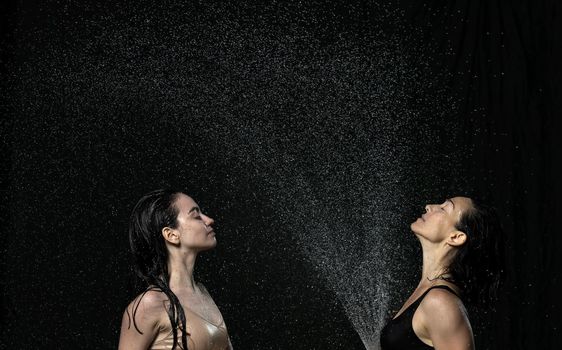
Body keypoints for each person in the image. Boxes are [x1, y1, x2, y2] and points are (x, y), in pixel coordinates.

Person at [380, 196, 504, 350]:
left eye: (444, 208)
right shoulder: (427, 293)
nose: (428, 206)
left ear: (456, 237)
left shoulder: (440, 303)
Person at [118, 189, 233, 350]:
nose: (209, 220)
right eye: (196, 215)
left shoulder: (203, 293)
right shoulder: (150, 304)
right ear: (171, 234)